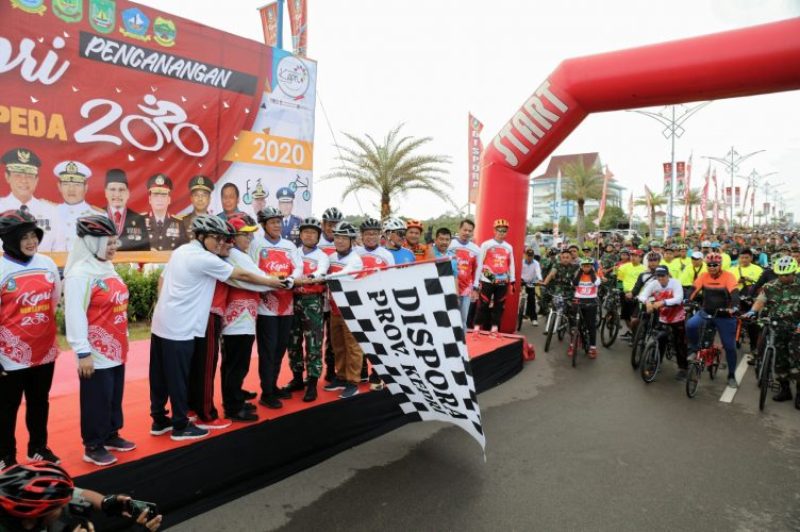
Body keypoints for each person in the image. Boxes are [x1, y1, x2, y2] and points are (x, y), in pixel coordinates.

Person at [148, 215, 283, 441]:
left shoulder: (181, 251)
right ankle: (181, 425)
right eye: (217, 238)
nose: (221, 243)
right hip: (182, 326)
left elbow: (162, 280)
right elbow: (241, 275)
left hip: (163, 322)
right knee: (181, 375)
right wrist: (274, 282)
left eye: (224, 238)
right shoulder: (205, 258)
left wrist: (166, 304)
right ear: (201, 236)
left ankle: (159, 419)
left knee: (160, 375)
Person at [64, 216, 135, 467]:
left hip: (117, 347)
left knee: (113, 395)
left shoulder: (106, 267)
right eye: (109, 242)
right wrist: (82, 352)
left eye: (115, 242)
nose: (115, 247)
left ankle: (111, 434)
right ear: (93, 243)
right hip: (94, 351)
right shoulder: (80, 274)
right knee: (96, 398)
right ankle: (93, 445)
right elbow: (75, 314)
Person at [0, 210, 61, 470]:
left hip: (44, 351)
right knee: (6, 407)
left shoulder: (47, 264)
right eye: (23, 237)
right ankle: (5, 456)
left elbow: (54, 301)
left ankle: (38, 448)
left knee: (39, 402)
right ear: (9, 239)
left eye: (33, 235)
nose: (31, 242)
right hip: (9, 355)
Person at [0, 461, 162, 531]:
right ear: (31, 519)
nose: (65, 505)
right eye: (58, 506)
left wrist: (106, 502)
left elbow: (77, 494)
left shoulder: (24, 515)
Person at [220, 214, 272, 422]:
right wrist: (282, 282)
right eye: (245, 235)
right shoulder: (235, 254)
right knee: (236, 365)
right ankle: (233, 407)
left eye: (251, 235)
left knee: (233, 364)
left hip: (241, 318)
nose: (250, 239)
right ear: (233, 236)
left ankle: (235, 397)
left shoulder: (236, 254)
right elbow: (259, 279)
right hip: (238, 320)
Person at [250, 206, 303, 409]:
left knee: (280, 348)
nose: (277, 225)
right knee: (268, 350)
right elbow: (252, 269)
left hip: (287, 305)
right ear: (264, 225)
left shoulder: (289, 245)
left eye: (278, 222)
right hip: (266, 308)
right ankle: (267, 392)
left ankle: (273, 385)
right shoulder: (256, 244)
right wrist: (270, 281)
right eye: (272, 222)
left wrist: (291, 279)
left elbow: (298, 267)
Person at [285, 217, 330, 402]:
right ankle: (297, 378)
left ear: (318, 236)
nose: (309, 235)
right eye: (306, 232)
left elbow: (322, 272)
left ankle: (312, 383)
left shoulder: (322, 256)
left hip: (312, 302)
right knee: (293, 341)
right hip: (292, 300)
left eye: (313, 232)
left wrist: (310, 277)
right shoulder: (293, 252)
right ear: (300, 234)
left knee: (313, 342)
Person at [746, 256, 800, 408]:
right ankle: (785, 389)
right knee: (779, 359)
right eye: (780, 275)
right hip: (777, 326)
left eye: (787, 275)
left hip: (796, 327)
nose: (783, 278)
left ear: (793, 272)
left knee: (797, 360)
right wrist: (752, 311)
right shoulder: (770, 286)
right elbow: (760, 301)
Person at [323, 222, 365, 399]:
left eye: (344, 238)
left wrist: (324, 276)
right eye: (337, 237)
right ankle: (341, 377)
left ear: (351, 240)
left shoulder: (355, 259)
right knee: (338, 345)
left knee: (353, 347)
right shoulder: (331, 256)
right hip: (334, 308)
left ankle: (353, 382)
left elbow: (344, 275)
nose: (339, 241)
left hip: (351, 310)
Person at [687, 252, 741, 388]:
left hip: (725, 316)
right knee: (691, 325)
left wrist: (735, 307)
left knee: (729, 347)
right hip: (706, 312)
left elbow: (734, 293)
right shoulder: (704, 276)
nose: (711, 267)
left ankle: (731, 375)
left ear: (720, 265)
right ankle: (694, 349)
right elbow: (693, 289)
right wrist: (687, 300)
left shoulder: (728, 276)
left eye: (715, 265)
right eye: (709, 265)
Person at [355, 217, 394, 388]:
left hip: (378, 303)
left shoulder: (387, 255)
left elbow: (391, 279)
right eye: (367, 234)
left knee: (378, 340)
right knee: (360, 339)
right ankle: (362, 370)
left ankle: (378, 373)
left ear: (380, 236)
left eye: (374, 234)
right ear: (362, 236)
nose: (371, 237)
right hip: (358, 303)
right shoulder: (355, 253)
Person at [0, 148, 59, 251]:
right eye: (18, 175)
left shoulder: (51, 212)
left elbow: (60, 250)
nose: (24, 181)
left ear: (36, 180)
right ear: (7, 177)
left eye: (29, 176)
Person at [638, 265, 688, 380]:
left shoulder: (675, 283)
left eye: (663, 276)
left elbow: (678, 298)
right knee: (660, 340)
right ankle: (656, 363)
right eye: (658, 276)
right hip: (663, 317)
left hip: (677, 317)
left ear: (668, 275)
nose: (660, 278)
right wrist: (647, 302)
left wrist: (663, 302)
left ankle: (683, 368)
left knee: (680, 343)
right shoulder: (654, 284)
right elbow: (642, 295)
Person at [475, 218, 516, 333]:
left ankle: (494, 328)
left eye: (504, 231)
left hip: (503, 280)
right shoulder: (486, 244)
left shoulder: (509, 247)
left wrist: (513, 281)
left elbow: (511, 264)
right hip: (487, 279)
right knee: (484, 304)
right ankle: (477, 326)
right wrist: (476, 281)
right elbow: (480, 263)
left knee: (499, 306)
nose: (501, 233)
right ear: (494, 231)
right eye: (499, 230)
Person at [53, 161, 103, 252]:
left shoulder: (98, 216)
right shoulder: (50, 212)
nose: (71, 189)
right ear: (59, 186)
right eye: (66, 184)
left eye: (77, 185)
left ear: (86, 187)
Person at [319, 207, 343, 382]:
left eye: (336, 224)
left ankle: (331, 370)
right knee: (315, 338)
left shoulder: (344, 243)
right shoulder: (316, 242)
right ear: (323, 224)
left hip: (335, 299)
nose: (332, 228)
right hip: (317, 297)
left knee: (333, 338)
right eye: (329, 224)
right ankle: (310, 375)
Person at [103, 169, 149, 252]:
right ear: (106, 192)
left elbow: (145, 253)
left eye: (121, 190)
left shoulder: (139, 220)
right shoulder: (95, 217)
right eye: (112, 189)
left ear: (128, 193)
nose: (117, 194)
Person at [448, 219, 481, 331]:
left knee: (463, 319)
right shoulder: (450, 244)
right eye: (465, 230)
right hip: (450, 286)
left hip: (466, 289)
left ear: (472, 232)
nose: (467, 233)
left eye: (470, 231)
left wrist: (475, 287)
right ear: (459, 229)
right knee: (449, 317)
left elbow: (478, 269)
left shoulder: (476, 249)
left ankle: (463, 340)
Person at [732, 248, 763, 357]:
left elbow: (761, 285)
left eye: (746, 257)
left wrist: (750, 279)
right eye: (742, 257)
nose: (744, 260)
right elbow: (729, 284)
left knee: (752, 322)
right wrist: (738, 281)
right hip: (736, 297)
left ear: (751, 258)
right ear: (738, 258)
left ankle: (753, 346)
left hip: (751, 298)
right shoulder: (733, 270)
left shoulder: (758, 269)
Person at [144, 174, 186, 252]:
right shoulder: (140, 222)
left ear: (169, 200)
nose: (159, 199)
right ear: (150, 199)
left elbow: (184, 251)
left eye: (163, 195)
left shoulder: (179, 223)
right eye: (156, 195)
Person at [570, 257, 602, 358]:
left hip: (591, 301)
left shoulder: (595, 275)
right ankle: (573, 345)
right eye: (584, 266)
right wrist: (580, 273)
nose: (586, 268)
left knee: (591, 325)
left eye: (588, 266)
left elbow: (596, 283)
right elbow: (573, 283)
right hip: (578, 300)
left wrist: (592, 273)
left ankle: (593, 348)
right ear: (581, 266)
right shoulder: (578, 274)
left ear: (591, 266)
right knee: (574, 325)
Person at [180, 175, 214, 241]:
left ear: (209, 199)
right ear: (191, 198)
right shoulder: (182, 223)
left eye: (204, 195)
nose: (200, 199)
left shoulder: (215, 223)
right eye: (196, 195)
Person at [520, 248, 542, 324]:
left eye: (531, 256)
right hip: (521, 281)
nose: (529, 257)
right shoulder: (521, 262)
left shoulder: (536, 263)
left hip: (531, 282)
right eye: (528, 255)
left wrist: (540, 279)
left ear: (533, 256)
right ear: (525, 255)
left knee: (532, 299)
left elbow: (538, 272)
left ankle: (534, 319)